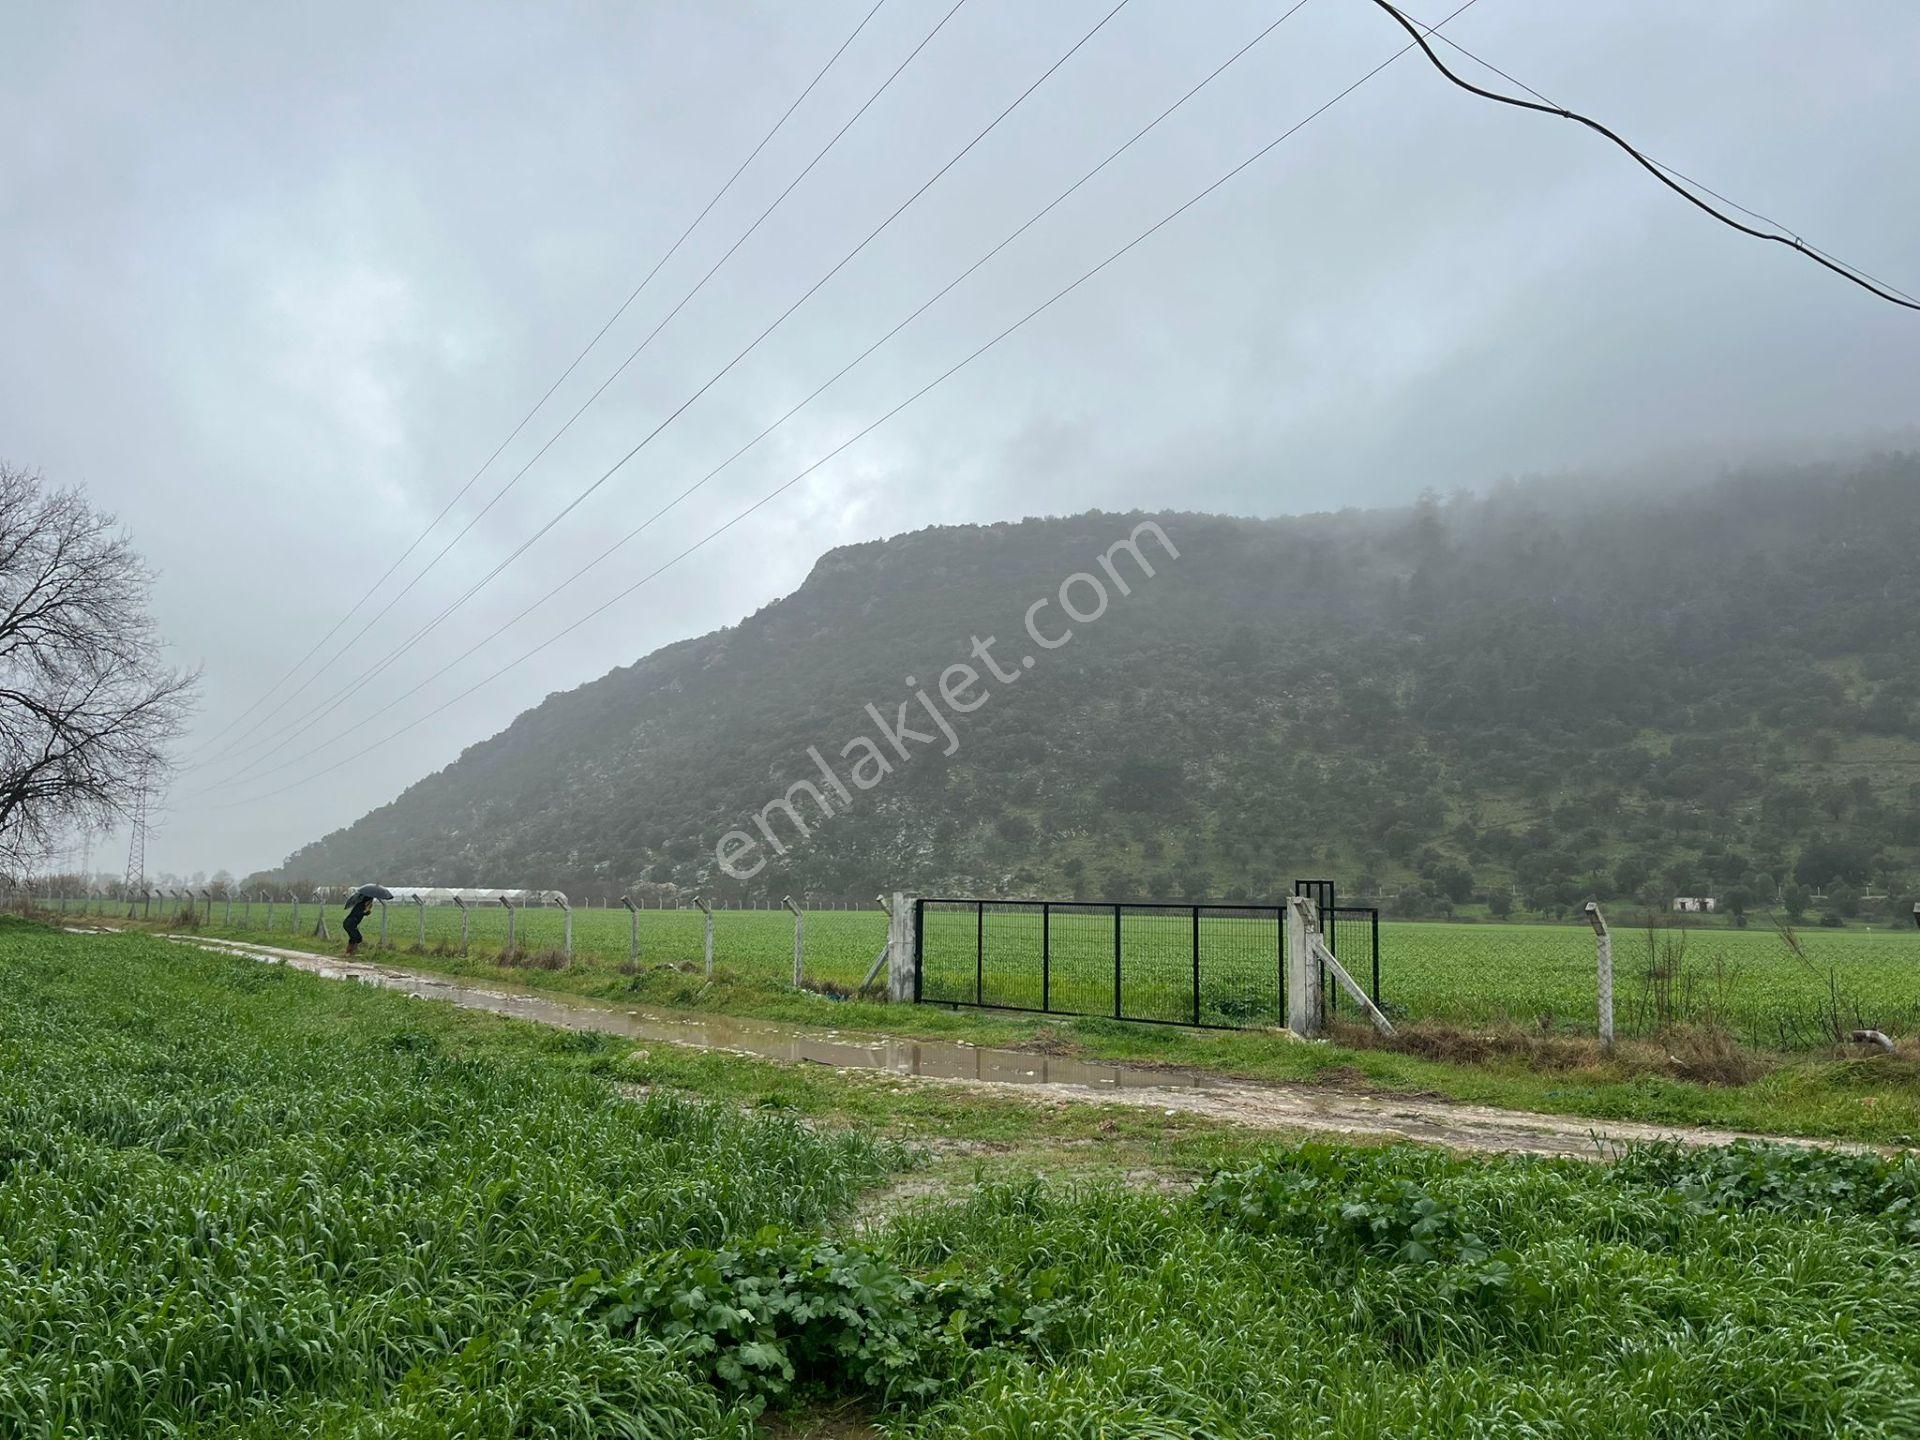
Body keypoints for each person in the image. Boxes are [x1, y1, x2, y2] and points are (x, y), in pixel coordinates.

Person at [343, 891, 374, 956]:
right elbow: (358, 914)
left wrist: (367, 911)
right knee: (357, 937)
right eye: (370, 901)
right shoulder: (360, 905)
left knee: (354, 938)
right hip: (349, 923)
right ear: (367, 901)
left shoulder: (363, 906)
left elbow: (364, 913)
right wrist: (365, 911)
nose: (371, 902)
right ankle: (350, 952)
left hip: (351, 924)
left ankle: (349, 952)